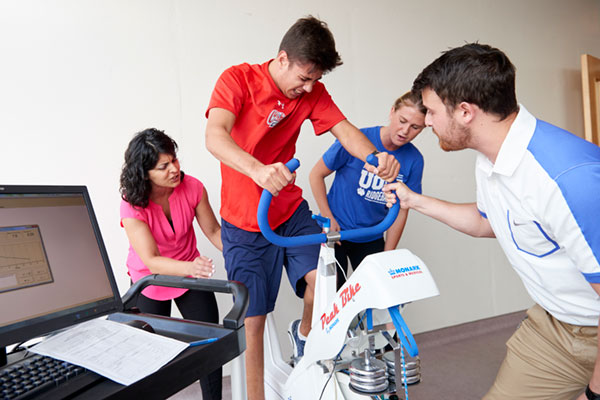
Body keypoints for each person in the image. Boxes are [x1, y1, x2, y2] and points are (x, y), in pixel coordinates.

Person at [383, 43, 600, 400]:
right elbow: (489, 221)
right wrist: (414, 201)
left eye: (433, 111)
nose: (428, 121)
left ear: (465, 111)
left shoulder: (568, 179)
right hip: (553, 327)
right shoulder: (491, 159)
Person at [204, 15, 400, 399]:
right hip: (245, 223)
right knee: (254, 323)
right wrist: (258, 170)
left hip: (290, 213)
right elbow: (214, 136)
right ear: (282, 59)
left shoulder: (313, 92)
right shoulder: (238, 79)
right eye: (304, 77)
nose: (309, 87)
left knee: (324, 281)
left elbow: (345, 132)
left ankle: (305, 333)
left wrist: (376, 159)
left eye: (316, 80)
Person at [119, 128, 223, 400]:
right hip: (150, 280)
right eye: (163, 166)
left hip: (189, 273)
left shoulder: (193, 187)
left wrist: (241, 255)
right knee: (150, 357)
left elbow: (213, 231)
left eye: (174, 160)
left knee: (209, 346)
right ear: (144, 173)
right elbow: (151, 260)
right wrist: (192, 268)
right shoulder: (132, 205)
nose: (174, 169)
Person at [310, 92, 426, 289]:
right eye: (402, 121)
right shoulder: (357, 140)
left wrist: (388, 253)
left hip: (371, 236)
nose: (405, 131)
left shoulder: (414, 159)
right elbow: (316, 175)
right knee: (332, 294)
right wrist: (329, 218)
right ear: (392, 112)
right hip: (337, 232)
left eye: (415, 127)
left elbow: (401, 210)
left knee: (376, 291)